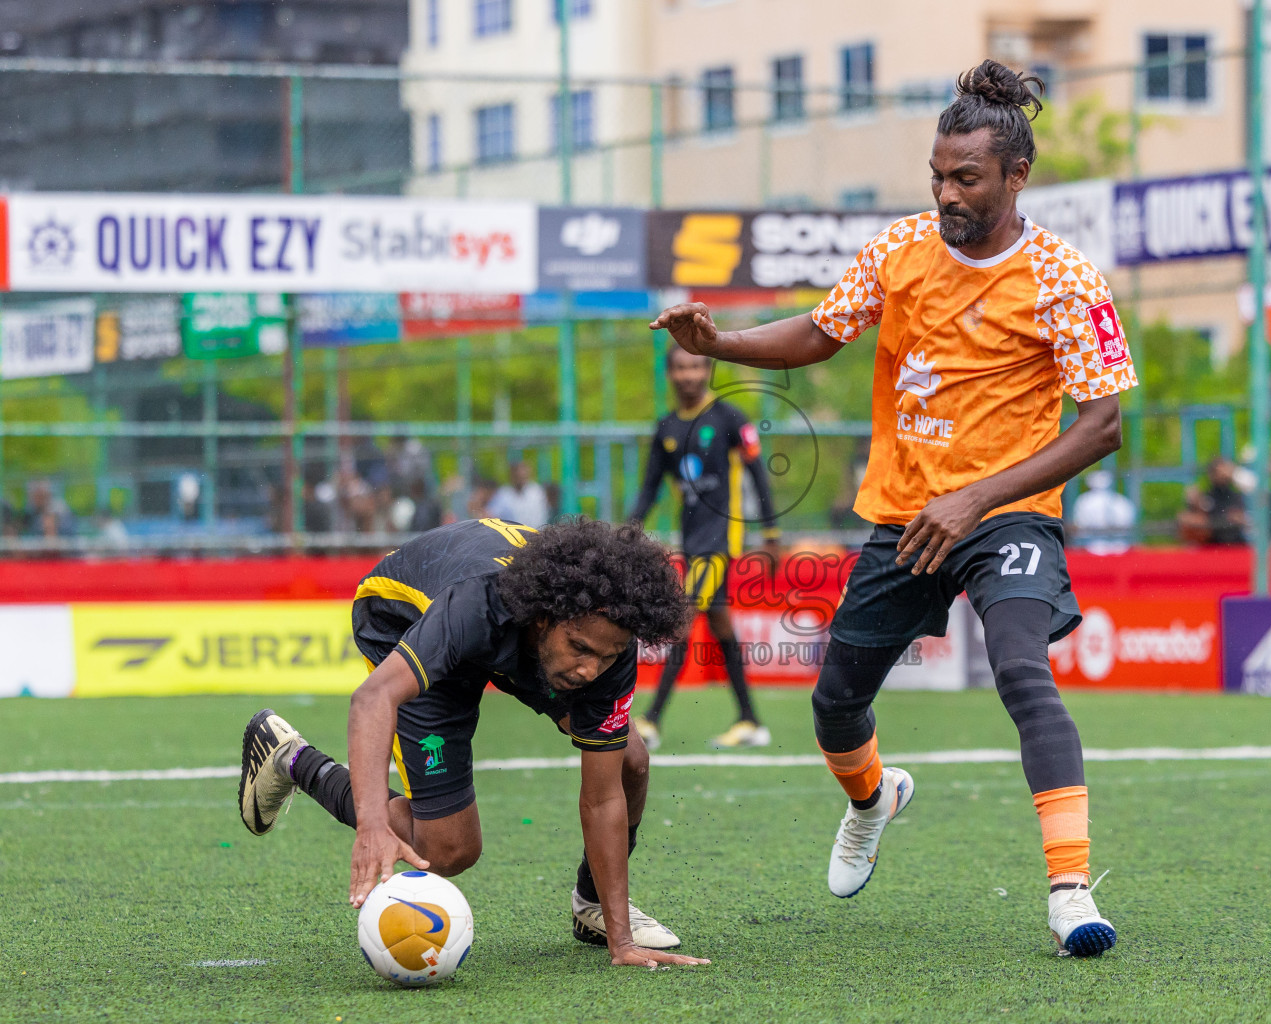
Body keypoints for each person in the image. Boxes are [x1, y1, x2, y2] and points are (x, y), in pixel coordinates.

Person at [649, 60, 1130, 958]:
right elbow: (819, 333)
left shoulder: (1065, 278)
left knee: (1024, 673)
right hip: (907, 519)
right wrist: (722, 343)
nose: (946, 192)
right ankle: (874, 800)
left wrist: (978, 498)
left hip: (1009, 515)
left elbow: (1101, 425)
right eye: (938, 175)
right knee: (834, 708)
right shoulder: (899, 249)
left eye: (967, 178)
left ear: (1016, 177)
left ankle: (1070, 892)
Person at [236, 518, 709, 970]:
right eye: (580, 648)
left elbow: (603, 797)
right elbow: (373, 698)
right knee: (447, 851)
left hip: (509, 637)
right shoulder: (475, 604)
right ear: (545, 619)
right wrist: (373, 824)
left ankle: (593, 909)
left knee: (630, 760)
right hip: (404, 616)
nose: (590, 670)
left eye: (605, 656)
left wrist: (622, 941)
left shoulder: (606, 641)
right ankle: (292, 758)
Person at [628, 346, 782, 751]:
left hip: (721, 538)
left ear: (708, 370)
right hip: (693, 539)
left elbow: (758, 477)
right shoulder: (666, 428)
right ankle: (750, 720)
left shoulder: (730, 418)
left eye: (696, 366)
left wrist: (771, 534)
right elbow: (649, 487)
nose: (689, 374)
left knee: (682, 617)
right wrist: (631, 529)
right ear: (670, 374)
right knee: (720, 625)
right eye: (681, 367)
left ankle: (652, 719)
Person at [1177, 457, 1248, 546]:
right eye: (1219, 473)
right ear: (1212, 475)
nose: (1223, 477)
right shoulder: (1206, 497)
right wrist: (1194, 506)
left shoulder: (1236, 496)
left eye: (1225, 474)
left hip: (1235, 545)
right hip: (1212, 546)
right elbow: (1191, 519)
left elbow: (1242, 518)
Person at [1070, 469, 1135, 554]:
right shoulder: (1121, 500)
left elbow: (1080, 525)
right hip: (1118, 548)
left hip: (1092, 547)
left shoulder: (1084, 501)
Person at [486, 459, 550, 528]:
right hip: (511, 535)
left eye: (523, 474)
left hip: (535, 533)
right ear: (511, 475)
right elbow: (492, 514)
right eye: (517, 474)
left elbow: (542, 515)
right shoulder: (503, 493)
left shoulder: (536, 491)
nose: (520, 476)